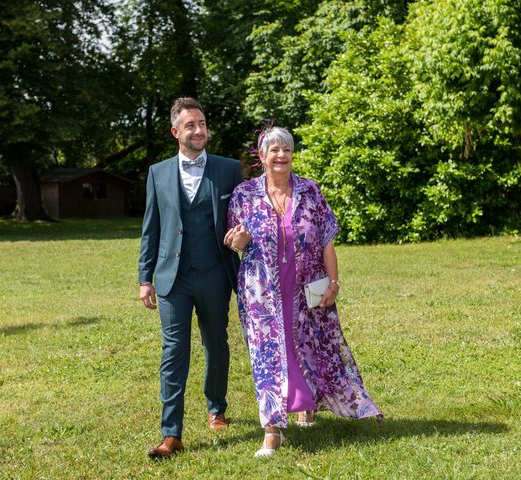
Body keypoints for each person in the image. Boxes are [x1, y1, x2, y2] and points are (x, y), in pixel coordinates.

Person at [225, 126, 383, 458]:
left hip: (306, 288)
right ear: (262, 156)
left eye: (286, 149)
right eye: (274, 150)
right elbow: (235, 238)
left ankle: (306, 406)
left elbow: (327, 241)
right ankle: (272, 432)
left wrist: (334, 284)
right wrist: (239, 241)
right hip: (262, 293)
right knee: (267, 356)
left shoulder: (310, 192)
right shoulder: (244, 194)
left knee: (307, 347)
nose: (281, 155)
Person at [138, 97, 243, 459]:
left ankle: (217, 408)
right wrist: (144, 277)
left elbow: (244, 217)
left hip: (215, 273)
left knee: (216, 344)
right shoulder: (158, 172)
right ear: (175, 132)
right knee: (173, 353)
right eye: (190, 125)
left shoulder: (229, 169)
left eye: (202, 123)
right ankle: (172, 434)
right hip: (173, 279)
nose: (199, 130)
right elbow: (151, 229)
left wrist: (243, 235)